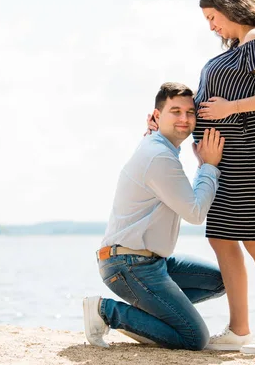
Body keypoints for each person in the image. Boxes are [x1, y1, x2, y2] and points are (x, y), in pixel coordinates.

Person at [146, 0, 255, 355]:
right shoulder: (238, 49)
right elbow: (205, 103)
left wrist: (230, 109)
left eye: (213, 17)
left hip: (249, 149)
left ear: (229, 7)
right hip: (228, 156)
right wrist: (165, 124)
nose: (211, 26)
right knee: (221, 238)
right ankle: (239, 328)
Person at [83, 82, 226, 350]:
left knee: (220, 280)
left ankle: (153, 314)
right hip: (128, 265)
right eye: (175, 111)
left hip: (150, 261)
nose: (184, 119)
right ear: (158, 116)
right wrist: (208, 166)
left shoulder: (157, 145)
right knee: (194, 338)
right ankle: (106, 311)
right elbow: (195, 213)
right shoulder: (159, 155)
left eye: (190, 112)